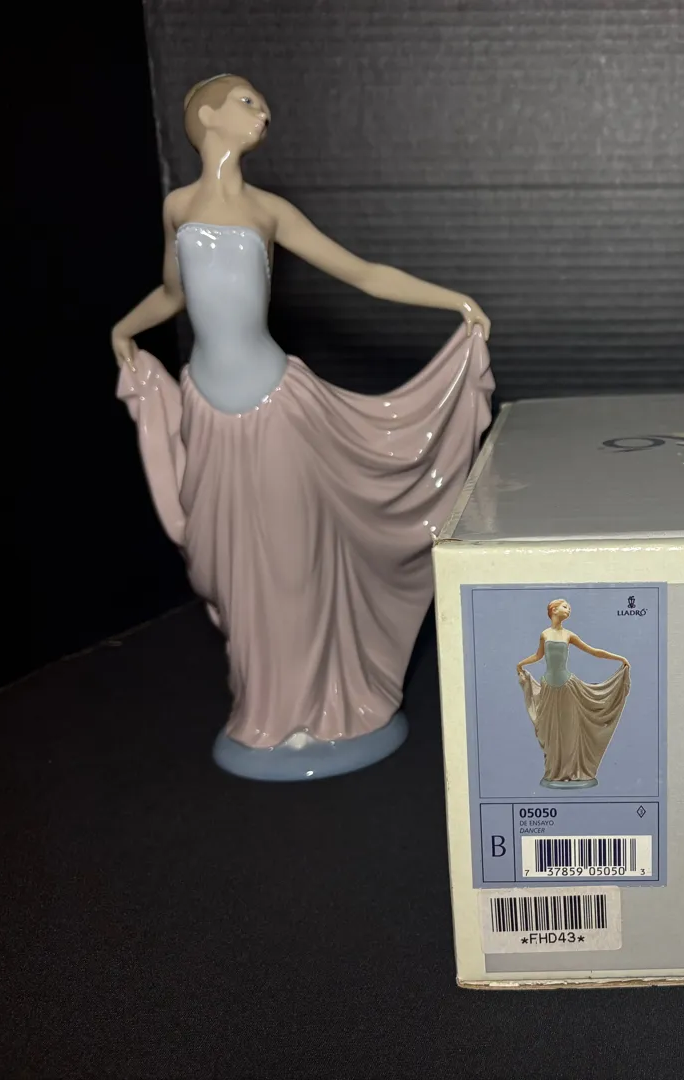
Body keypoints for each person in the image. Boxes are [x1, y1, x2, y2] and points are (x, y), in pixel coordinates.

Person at [111, 74, 495, 781]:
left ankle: (322, 707)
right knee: (233, 570)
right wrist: (123, 330)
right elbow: (173, 292)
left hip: (276, 408)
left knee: (290, 563)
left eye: (263, 101)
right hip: (208, 414)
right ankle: (267, 707)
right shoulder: (177, 207)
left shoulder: (269, 211)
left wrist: (455, 302)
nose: (263, 110)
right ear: (207, 116)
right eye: (247, 100)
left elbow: (364, 273)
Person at [516, 599, 631, 788]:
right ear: (553, 609)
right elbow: (538, 656)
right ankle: (555, 772)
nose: (568, 610)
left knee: (569, 731)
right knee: (551, 732)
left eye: (569, 608)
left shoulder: (569, 635)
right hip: (548, 688)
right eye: (565, 607)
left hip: (567, 687)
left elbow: (594, 651)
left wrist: (620, 658)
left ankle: (571, 772)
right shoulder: (545, 634)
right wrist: (521, 664)